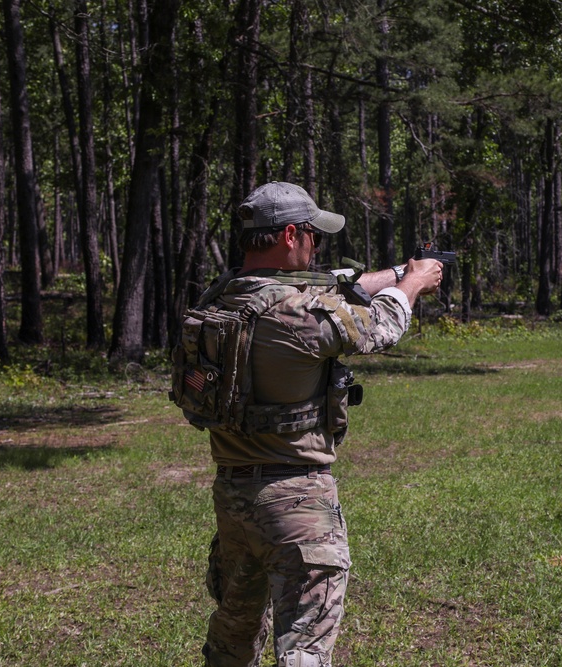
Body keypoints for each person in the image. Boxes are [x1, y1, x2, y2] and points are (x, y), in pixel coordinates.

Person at [189, 182, 443, 666]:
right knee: (304, 647)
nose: (316, 246)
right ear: (290, 235)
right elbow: (379, 326)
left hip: (234, 494)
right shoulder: (298, 315)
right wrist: (411, 285)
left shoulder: (222, 299)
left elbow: (328, 287)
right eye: (313, 236)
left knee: (235, 630)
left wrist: (394, 271)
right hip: (296, 500)